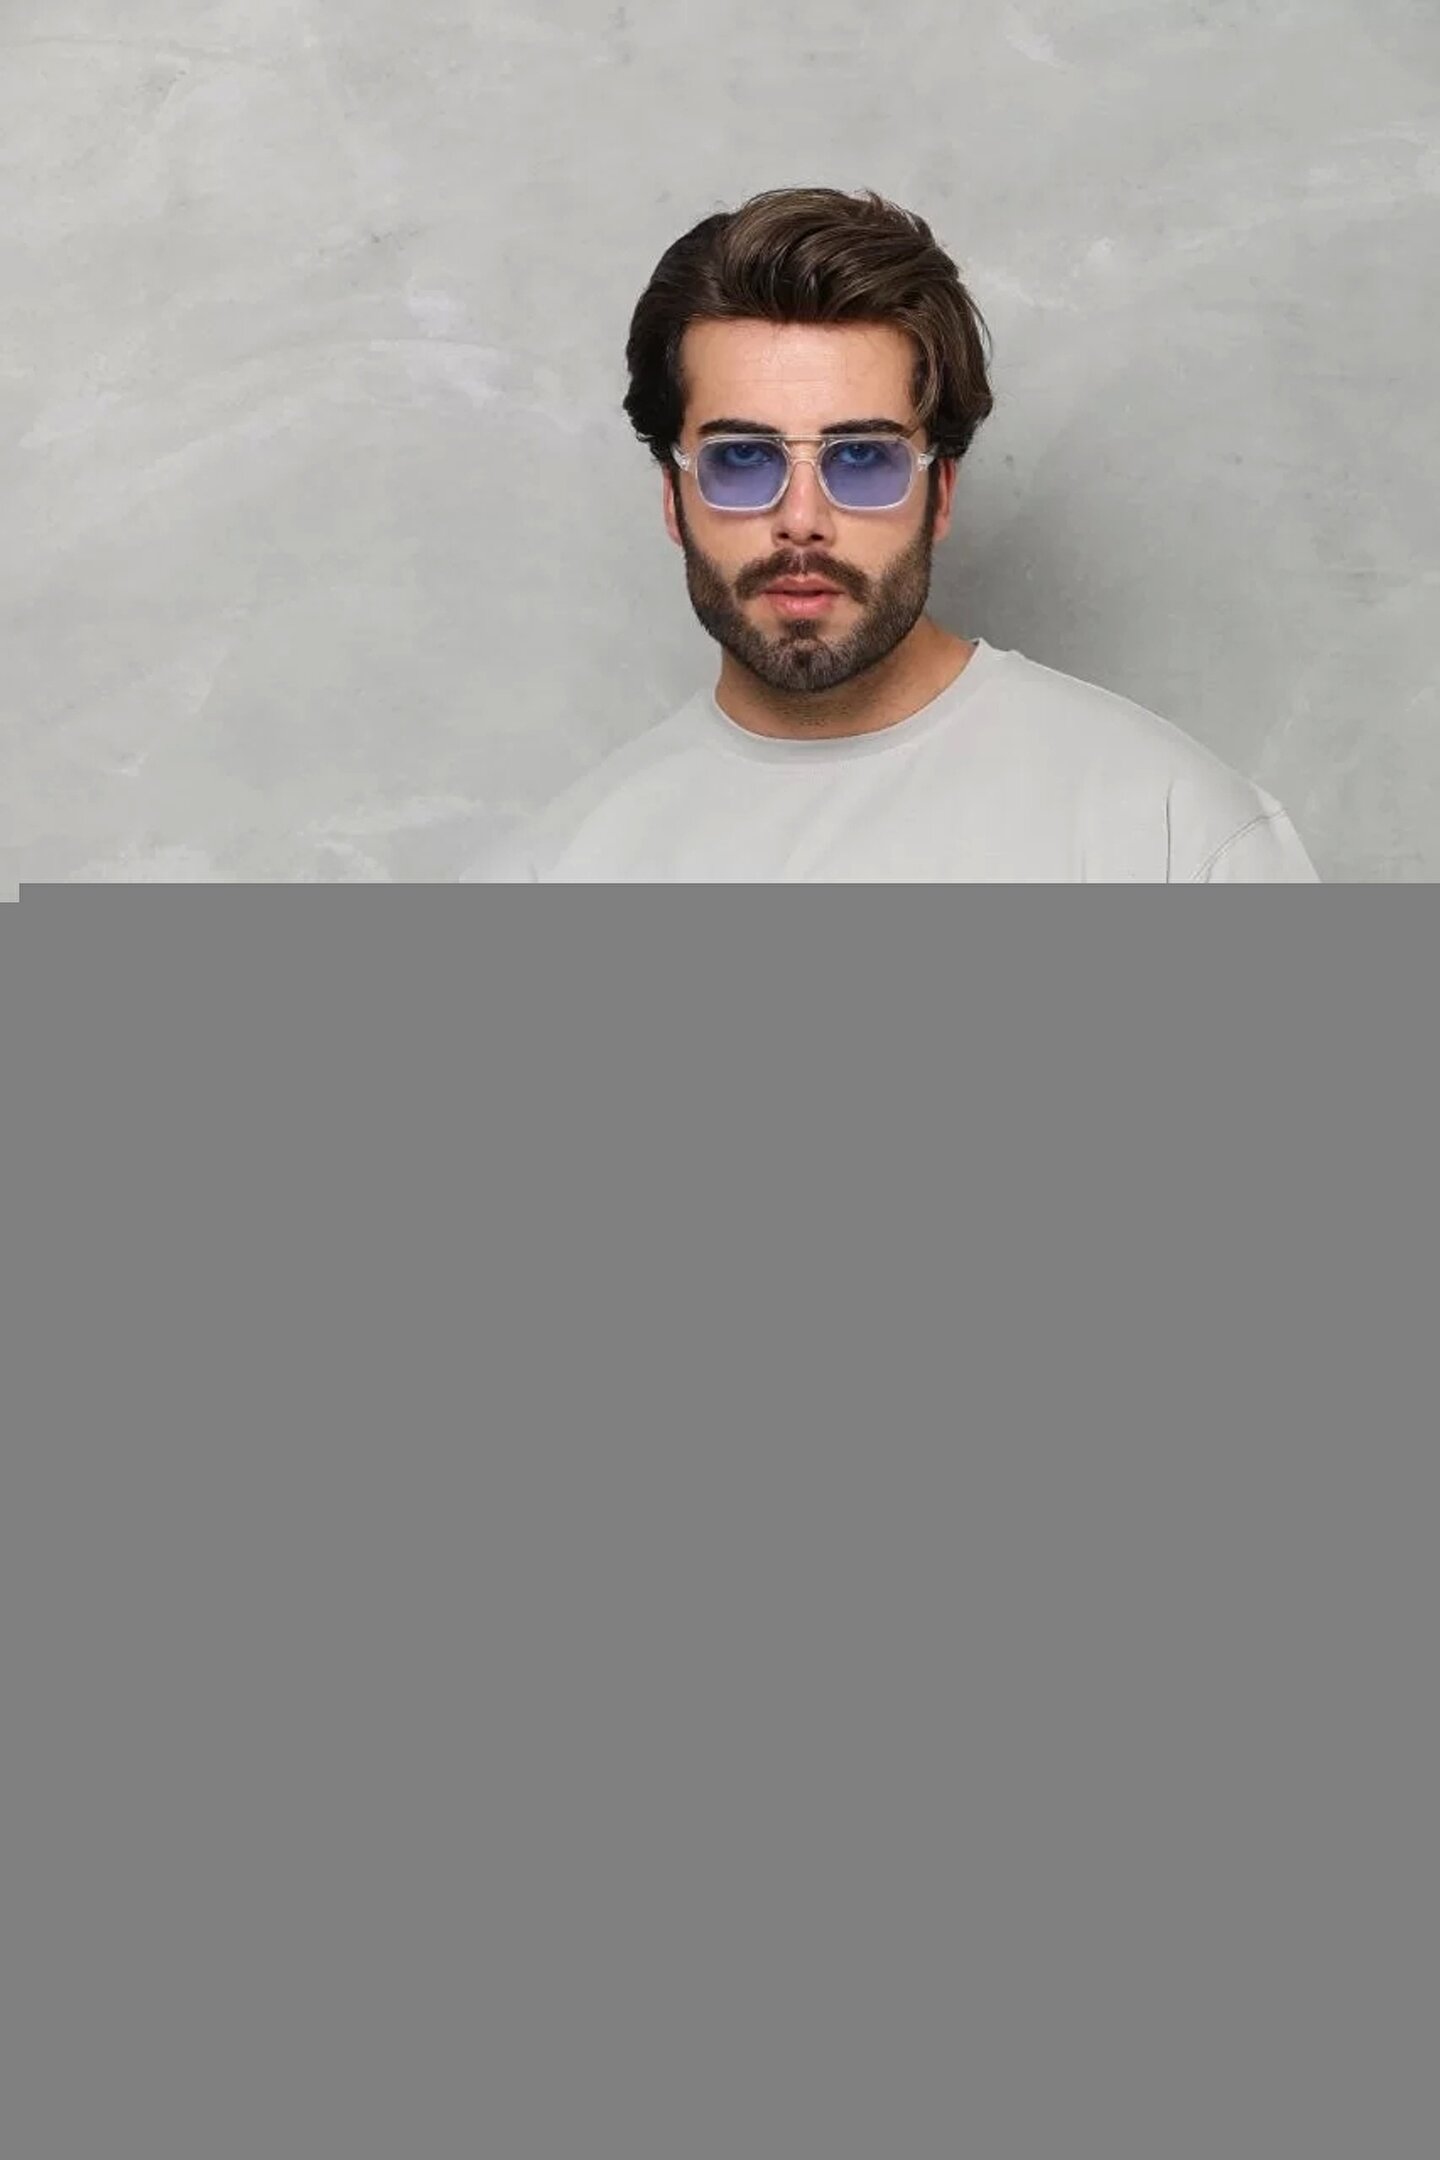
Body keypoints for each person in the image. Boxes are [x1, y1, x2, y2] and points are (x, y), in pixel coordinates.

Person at [464, 186, 1319, 884]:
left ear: (939, 492)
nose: (803, 519)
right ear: (671, 495)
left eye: (863, 458)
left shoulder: (1177, 839)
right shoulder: (553, 872)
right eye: (743, 459)